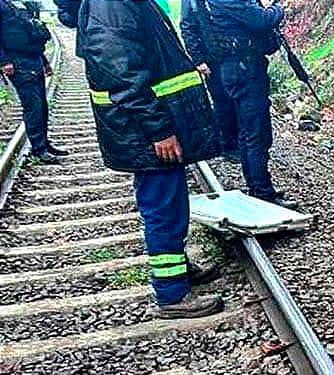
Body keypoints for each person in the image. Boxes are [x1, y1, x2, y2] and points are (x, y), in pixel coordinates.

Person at [55, 0, 224, 318]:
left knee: (171, 203)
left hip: (147, 125)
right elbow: (123, 75)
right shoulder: (110, 5)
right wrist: (158, 129)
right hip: (145, 130)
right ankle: (171, 294)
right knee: (162, 208)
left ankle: (178, 269)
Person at [204, 0, 294, 207]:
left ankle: (258, 186)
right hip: (244, 67)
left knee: (249, 131)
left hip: (240, 66)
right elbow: (260, 20)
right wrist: (279, 8)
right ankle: (262, 192)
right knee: (255, 133)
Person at [1, 0, 67, 165]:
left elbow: (32, 33)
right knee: (33, 106)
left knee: (42, 105)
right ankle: (39, 149)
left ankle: (44, 144)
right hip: (17, 61)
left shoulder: (22, 4)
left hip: (34, 59)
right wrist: (3, 61)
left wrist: (45, 62)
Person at [180, 0, 240, 163]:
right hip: (211, 59)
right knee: (223, 103)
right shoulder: (191, 2)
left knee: (235, 100)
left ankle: (238, 139)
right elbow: (187, 28)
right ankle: (228, 144)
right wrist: (199, 60)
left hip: (230, 55)